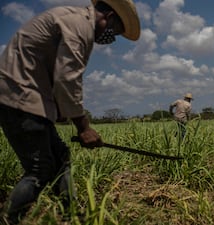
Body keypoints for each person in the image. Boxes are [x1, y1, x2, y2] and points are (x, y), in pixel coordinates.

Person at [0, 0, 140, 223]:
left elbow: (54, 71)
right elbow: (67, 78)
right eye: (115, 31)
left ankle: (70, 213)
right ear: (109, 16)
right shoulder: (79, 25)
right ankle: (10, 220)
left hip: (26, 96)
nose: (111, 38)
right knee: (39, 170)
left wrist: (58, 108)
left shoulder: (72, 18)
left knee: (61, 156)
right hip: (20, 97)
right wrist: (83, 127)